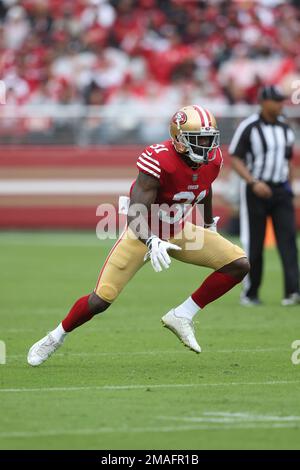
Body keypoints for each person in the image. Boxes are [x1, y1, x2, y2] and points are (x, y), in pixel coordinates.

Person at [27, 105, 249, 366]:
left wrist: (208, 222)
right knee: (101, 299)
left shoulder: (212, 161)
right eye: (198, 139)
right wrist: (152, 240)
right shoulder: (159, 160)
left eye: (209, 138)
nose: (206, 145)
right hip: (142, 234)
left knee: (238, 264)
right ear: (179, 139)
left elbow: (204, 187)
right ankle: (55, 336)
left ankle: (183, 315)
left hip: (179, 231)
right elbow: (135, 212)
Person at [229, 85, 300, 306]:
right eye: (277, 101)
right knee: (254, 243)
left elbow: (289, 162)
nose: (281, 104)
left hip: (281, 191)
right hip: (255, 189)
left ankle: (293, 292)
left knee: (288, 241)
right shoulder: (249, 127)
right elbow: (235, 158)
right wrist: (252, 181)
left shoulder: (286, 129)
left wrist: (293, 189)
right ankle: (250, 293)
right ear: (264, 102)